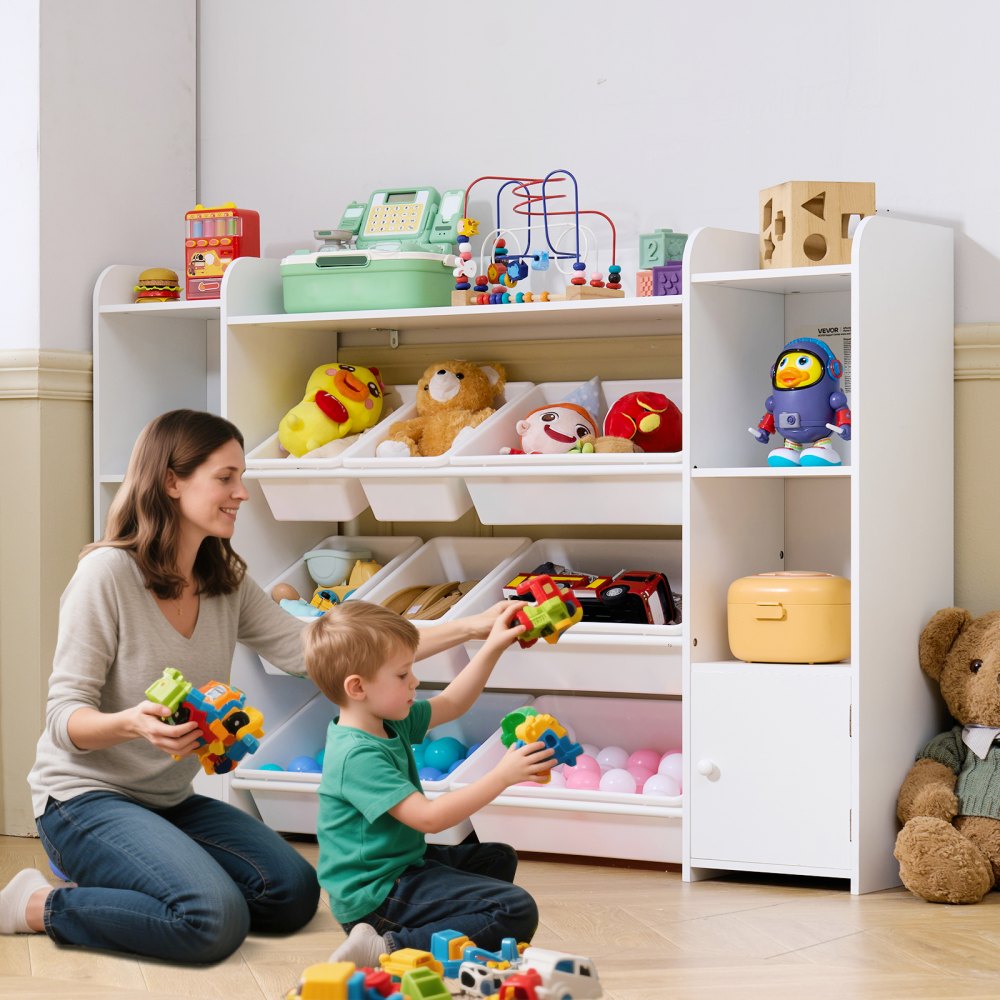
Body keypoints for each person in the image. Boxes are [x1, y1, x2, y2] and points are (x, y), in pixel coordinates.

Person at [0, 409, 515, 961]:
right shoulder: (106, 575)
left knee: (291, 896)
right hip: (83, 799)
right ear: (172, 481)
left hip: (170, 800)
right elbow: (64, 718)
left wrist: (475, 626)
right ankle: (36, 905)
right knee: (211, 921)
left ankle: (138, 876)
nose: (241, 493)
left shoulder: (225, 579)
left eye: (240, 477)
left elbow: (317, 650)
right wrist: (132, 723)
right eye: (225, 478)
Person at [303, 599, 554, 968]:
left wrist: (493, 646)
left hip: (398, 866)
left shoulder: (388, 718)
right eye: (403, 675)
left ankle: (443, 937)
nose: (414, 681)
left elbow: (453, 702)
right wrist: (502, 775)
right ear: (358, 687)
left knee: (497, 858)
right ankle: (386, 948)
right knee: (515, 908)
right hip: (375, 898)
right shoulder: (357, 754)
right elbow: (430, 819)